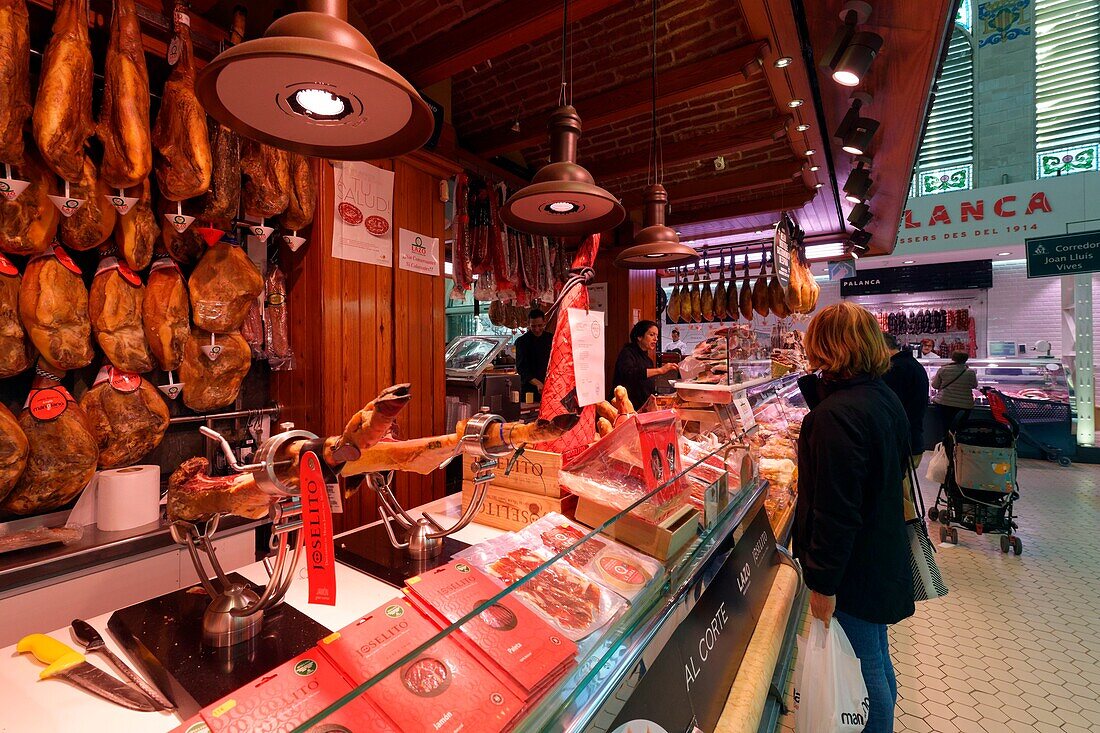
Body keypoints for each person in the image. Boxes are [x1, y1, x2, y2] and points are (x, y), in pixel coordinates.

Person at [793, 302, 914, 733]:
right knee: (876, 659)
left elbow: (835, 511)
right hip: (879, 551)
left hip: (853, 569)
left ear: (827, 346)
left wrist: (823, 584)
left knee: (861, 668)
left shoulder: (836, 416)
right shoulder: (881, 396)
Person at [881, 332, 930, 455]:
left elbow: (890, 409)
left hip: (902, 442)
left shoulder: (895, 369)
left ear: (881, 347)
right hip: (912, 438)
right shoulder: (910, 363)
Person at [612, 320, 677, 410]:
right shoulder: (627, 352)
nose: (656, 339)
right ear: (639, 336)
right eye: (651, 335)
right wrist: (660, 370)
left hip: (642, 408)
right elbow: (630, 373)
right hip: (625, 408)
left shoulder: (647, 359)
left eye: (656, 336)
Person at [931, 351, 978, 441]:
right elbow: (974, 386)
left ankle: (945, 448)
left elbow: (935, 386)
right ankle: (958, 447)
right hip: (964, 405)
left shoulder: (943, 369)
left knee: (945, 428)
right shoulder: (970, 372)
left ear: (953, 358)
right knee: (960, 429)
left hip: (945, 403)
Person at [515, 309, 553, 400]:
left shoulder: (551, 338)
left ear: (544, 322)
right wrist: (538, 383)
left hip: (549, 388)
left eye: (540, 325)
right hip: (529, 390)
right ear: (529, 324)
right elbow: (521, 369)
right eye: (533, 326)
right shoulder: (522, 342)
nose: (536, 329)